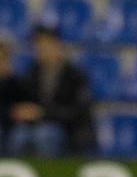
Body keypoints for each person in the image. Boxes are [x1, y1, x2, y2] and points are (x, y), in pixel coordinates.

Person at [8, 26, 95, 156]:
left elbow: (79, 111)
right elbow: (22, 98)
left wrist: (44, 113)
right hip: (35, 125)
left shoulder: (75, 76)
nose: (40, 49)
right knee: (19, 135)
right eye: (37, 45)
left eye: (44, 44)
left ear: (56, 45)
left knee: (44, 135)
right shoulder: (33, 73)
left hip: (67, 128)